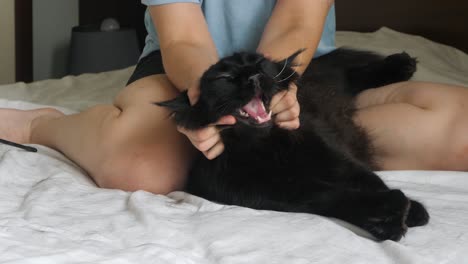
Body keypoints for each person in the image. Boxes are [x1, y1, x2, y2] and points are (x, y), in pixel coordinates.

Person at [1, 0, 468, 195]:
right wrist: (213, 96)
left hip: (298, 65)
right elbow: (183, 39)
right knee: (140, 169)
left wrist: (273, 90)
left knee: (460, 131)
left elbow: (296, 24)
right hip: (183, 69)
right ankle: (42, 124)